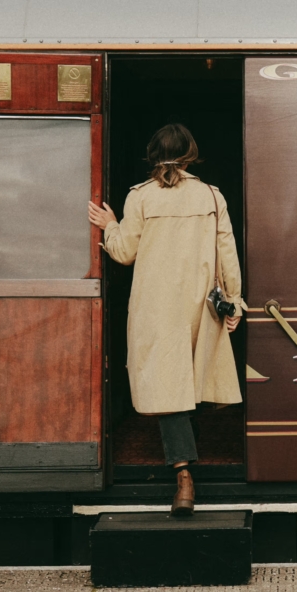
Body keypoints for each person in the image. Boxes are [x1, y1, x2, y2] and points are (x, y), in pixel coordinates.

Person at [88, 124, 242, 516]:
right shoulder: (211, 195)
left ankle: (183, 475)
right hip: (199, 304)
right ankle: (188, 454)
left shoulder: (139, 197)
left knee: (167, 384)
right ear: (191, 155)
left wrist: (110, 226)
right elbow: (227, 252)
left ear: (152, 155)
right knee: (192, 377)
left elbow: (124, 253)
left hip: (155, 307)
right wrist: (234, 302)